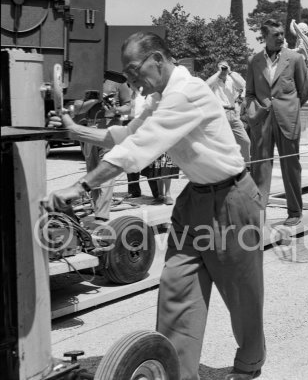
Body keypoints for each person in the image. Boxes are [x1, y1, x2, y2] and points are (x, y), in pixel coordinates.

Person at [44, 32, 266, 380]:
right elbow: (127, 134)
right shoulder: (160, 98)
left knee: (242, 295)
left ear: (158, 59)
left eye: (134, 70)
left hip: (232, 201)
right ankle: (178, 373)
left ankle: (250, 363)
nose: (131, 79)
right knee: (177, 289)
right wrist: (76, 131)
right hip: (195, 200)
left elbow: (139, 148)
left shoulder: (186, 93)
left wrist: (83, 184)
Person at [245, 19, 308, 227]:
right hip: (262, 121)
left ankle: (294, 212)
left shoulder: (295, 58)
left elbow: (305, 91)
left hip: (287, 120)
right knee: (260, 168)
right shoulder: (254, 61)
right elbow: (249, 92)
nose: (282, 37)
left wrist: (289, 107)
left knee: (291, 166)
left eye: (282, 33)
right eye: (276, 34)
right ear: (264, 37)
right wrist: (253, 112)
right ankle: (258, 215)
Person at [81, 76, 132, 223]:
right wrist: (94, 100)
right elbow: (78, 106)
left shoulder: (118, 80)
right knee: (92, 172)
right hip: (90, 128)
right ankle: (98, 209)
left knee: (107, 171)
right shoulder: (86, 78)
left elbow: (128, 106)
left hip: (111, 128)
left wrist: (115, 109)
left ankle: (101, 215)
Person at [206, 60, 251, 164]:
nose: (223, 69)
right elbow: (206, 85)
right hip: (220, 113)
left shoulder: (232, 78)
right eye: (221, 67)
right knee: (220, 143)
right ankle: (219, 166)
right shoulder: (214, 80)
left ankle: (245, 166)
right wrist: (218, 72)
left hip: (233, 114)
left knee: (245, 141)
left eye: (225, 67)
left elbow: (242, 85)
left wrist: (230, 72)